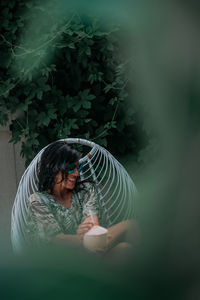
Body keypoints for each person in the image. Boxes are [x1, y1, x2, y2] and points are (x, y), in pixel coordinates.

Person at [26, 140, 135, 256]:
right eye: (71, 167)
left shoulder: (86, 190)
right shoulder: (38, 201)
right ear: (54, 168)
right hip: (57, 262)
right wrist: (85, 240)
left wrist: (90, 231)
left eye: (78, 167)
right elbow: (56, 240)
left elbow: (92, 221)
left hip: (89, 253)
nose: (76, 173)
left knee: (126, 246)